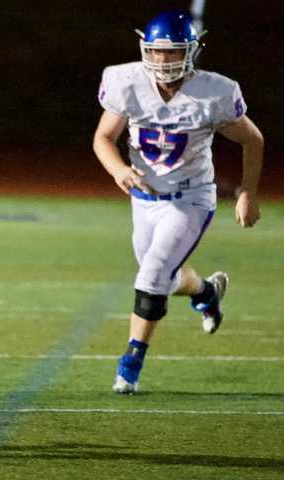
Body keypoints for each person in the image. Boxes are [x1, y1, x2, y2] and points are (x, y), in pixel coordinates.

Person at [93, 12, 263, 394]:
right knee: (163, 280)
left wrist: (248, 192)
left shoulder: (213, 92)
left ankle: (131, 363)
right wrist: (119, 169)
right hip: (144, 198)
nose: (163, 61)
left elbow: (253, 140)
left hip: (190, 198)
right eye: (156, 52)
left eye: (172, 54)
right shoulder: (127, 82)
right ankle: (206, 291)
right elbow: (103, 137)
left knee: (152, 274)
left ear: (191, 52)